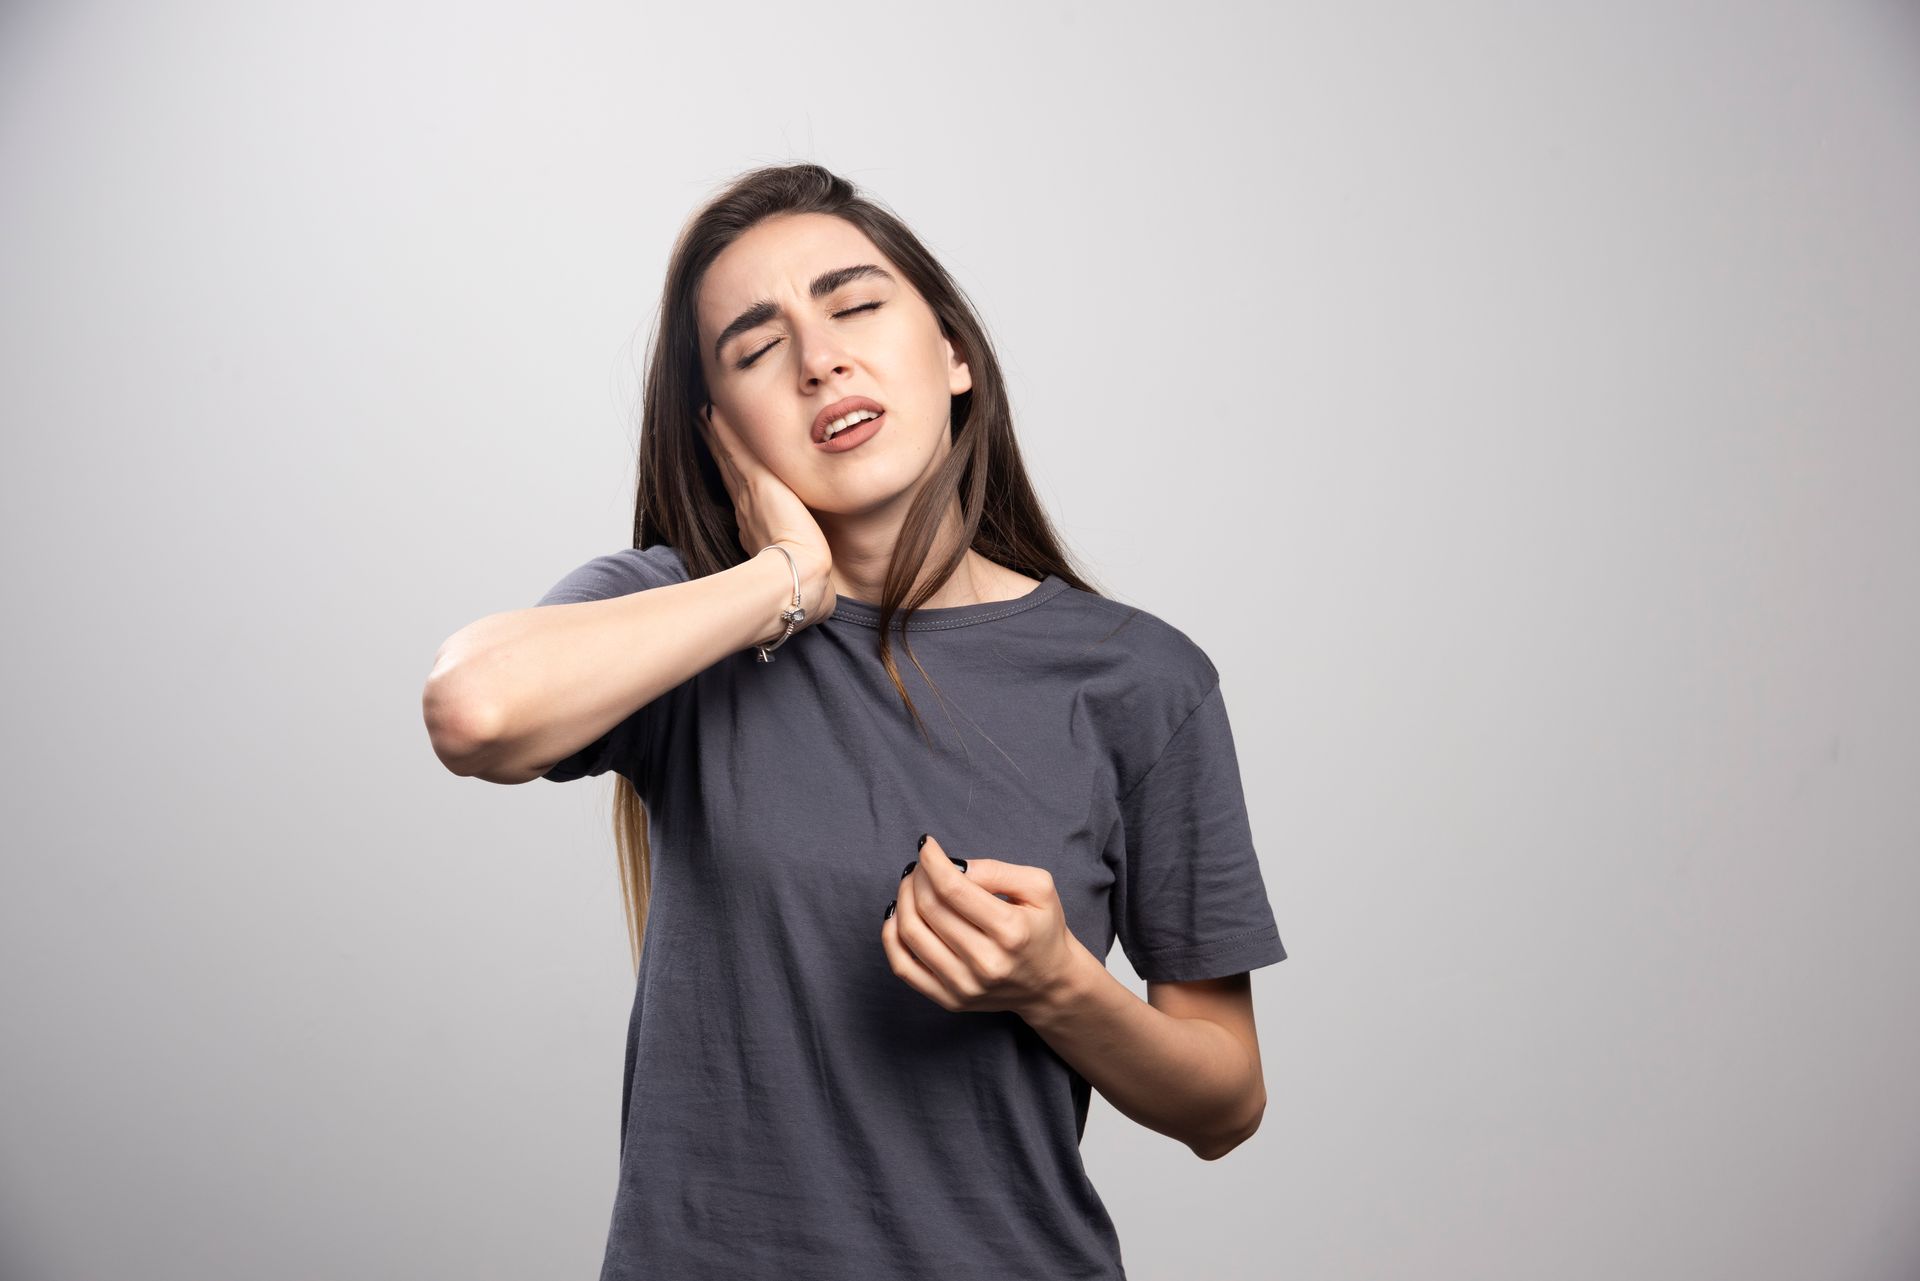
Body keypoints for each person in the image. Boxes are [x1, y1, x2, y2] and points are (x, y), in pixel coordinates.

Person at [421, 162, 1288, 1280]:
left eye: (855, 303)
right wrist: (782, 580)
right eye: (754, 347)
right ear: (723, 428)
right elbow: (473, 708)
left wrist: (1057, 986)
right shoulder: (681, 617)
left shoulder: (1139, 681)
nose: (819, 356)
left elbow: (1225, 1100)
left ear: (955, 353)